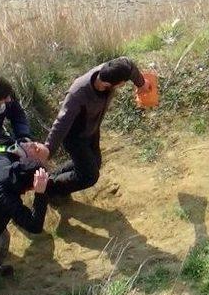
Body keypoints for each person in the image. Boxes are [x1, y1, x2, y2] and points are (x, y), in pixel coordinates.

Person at [44, 57, 151, 198]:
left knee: (94, 163)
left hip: (92, 129)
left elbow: (129, 65)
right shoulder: (78, 93)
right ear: (117, 84)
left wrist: (141, 84)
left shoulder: (112, 71)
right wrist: (48, 149)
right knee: (89, 176)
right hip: (74, 137)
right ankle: (48, 188)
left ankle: (52, 178)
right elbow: (61, 122)